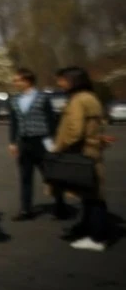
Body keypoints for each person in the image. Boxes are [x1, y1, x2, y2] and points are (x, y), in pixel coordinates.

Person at [51, 66, 109, 252]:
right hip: (92, 150)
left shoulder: (77, 101)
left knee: (93, 196)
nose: (59, 84)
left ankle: (97, 238)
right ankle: (87, 228)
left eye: (62, 80)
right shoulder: (91, 98)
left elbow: (74, 132)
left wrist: (58, 149)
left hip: (81, 152)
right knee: (89, 192)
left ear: (72, 81)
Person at [8, 68, 67, 221]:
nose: (15, 83)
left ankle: (60, 206)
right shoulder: (14, 100)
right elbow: (14, 123)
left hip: (41, 141)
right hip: (24, 142)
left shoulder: (42, 98)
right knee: (25, 177)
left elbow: (51, 120)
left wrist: (53, 141)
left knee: (50, 175)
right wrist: (12, 142)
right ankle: (25, 210)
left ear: (27, 81)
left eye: (17, 80)